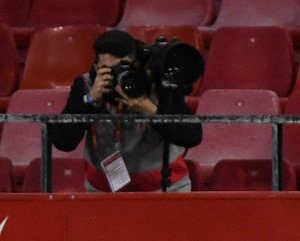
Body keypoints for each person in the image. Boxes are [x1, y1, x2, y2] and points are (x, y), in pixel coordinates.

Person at [49, 29, 201, 192]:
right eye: (109, 70)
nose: (118, 75)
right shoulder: (87, 85)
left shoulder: (159, 82)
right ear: (96, 67)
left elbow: (192, 136)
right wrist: (90, 100)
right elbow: (63, 142)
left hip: (164, 187)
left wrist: (152, 111)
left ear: (137, 63)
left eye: (125, 67)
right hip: (104, 191)